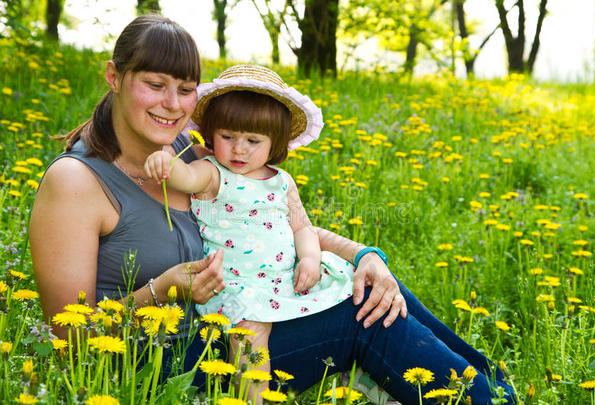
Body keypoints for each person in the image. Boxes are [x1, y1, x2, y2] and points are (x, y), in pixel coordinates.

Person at [29, 14, 516, 404]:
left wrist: (365, 254)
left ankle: (496, 391)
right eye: (155, 85)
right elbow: (67, 335)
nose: (172, 103)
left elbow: (266, 224)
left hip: (234, 323)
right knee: (356, 316)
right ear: (114, 77)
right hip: (159, 367)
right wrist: (165, 289)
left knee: (366, 284)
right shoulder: (76, 182)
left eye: (185, 88)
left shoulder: (189, 149)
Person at [144, 64, 355, 397]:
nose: (239, 148)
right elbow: (184, 178)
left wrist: (311, 258)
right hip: (237, 286)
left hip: (283, 279)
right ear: (213, 134)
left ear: (276, 144)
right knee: (251, 341)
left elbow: (301, 227)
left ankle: (360, 377)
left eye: (253, 140)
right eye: (228, 137)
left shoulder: (281, 181)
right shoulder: (212, 172)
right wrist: (166, 161)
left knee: (349, 292)